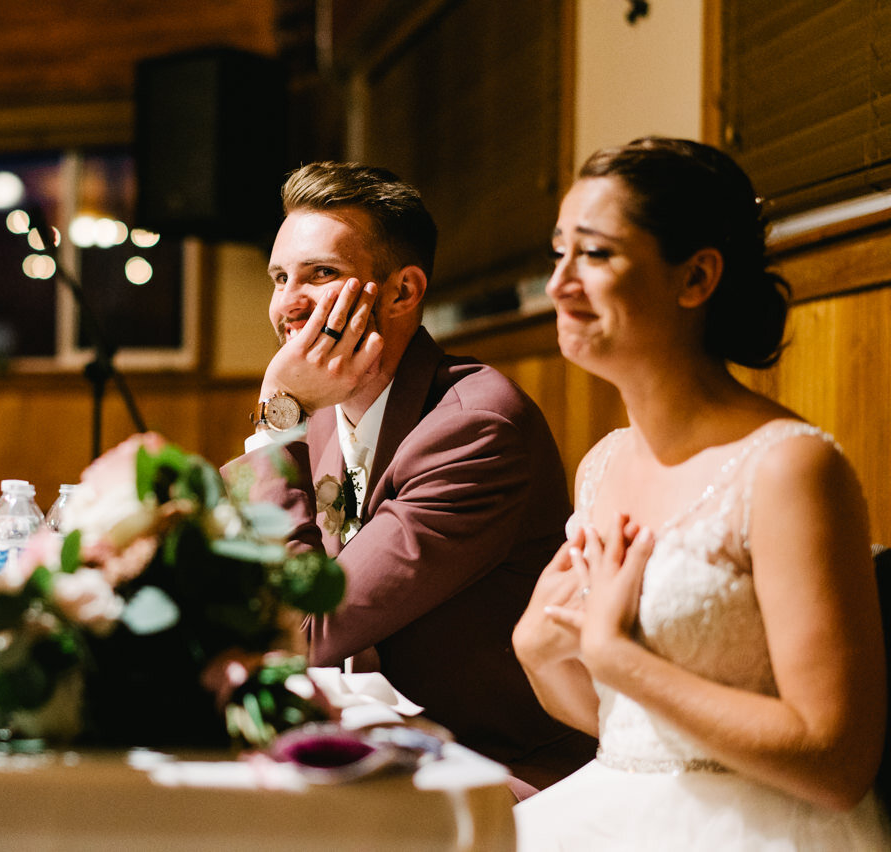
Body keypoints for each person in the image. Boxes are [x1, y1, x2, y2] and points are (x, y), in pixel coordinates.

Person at [511, 137, 891, 848]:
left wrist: (616, 655)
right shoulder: (602, 465)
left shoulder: (788, 469)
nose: (560, 283)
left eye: (594, 254)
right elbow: (630, 725)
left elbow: (836, 762)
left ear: (695, 278)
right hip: (616, 806)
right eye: (557, 252)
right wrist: (538, 654)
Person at [224, 161, 594, 791]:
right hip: (367, 743)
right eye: (280, 277)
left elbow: (300, 627)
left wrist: (275, 413)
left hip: (496, 771)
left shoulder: (475, 428)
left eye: (321, 275)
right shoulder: (317, 420)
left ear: (402, 292)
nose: (288, 304)